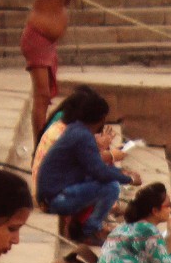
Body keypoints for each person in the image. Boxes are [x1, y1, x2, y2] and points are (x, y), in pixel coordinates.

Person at [14, 0, 107, 146]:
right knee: (42, 95)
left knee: (46, 97)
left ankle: (43, 138)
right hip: (37, 37)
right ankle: (39, 144)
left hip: (49, 43)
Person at [34, 86, 133, 244]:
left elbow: (94, 166)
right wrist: (128, 178)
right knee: (111, 187)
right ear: (100, 118)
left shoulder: (76, 130)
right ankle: (89, 230)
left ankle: (86, 225)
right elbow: (99, 172)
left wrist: (121, 171)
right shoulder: (82, 136)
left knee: (103, 180)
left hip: (51, 195)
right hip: (54, 199)